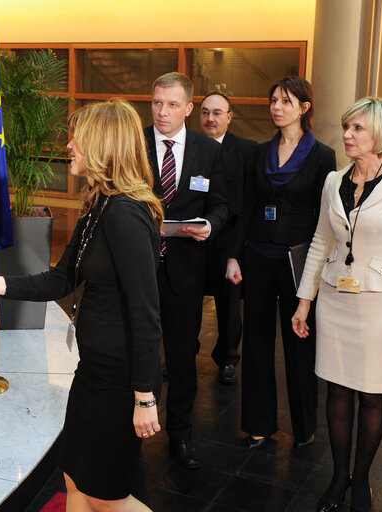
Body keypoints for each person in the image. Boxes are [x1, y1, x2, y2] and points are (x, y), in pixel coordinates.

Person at [0, 98, 163, 510]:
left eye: (76, 138)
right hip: (93, 371)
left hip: (121, 382)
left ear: (102, 144)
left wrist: (144, 398)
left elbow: (146, 315)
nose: (68, 146)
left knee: (107, 498)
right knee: (74, 477)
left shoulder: (125, 215)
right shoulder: (99, 205)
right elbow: (60, 279)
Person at [292, 97, 382, 512]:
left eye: (358, 128)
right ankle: (339, 475)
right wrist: (304, 301)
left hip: (380, 305)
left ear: (380, 134)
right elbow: (320, 244)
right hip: (336, 301)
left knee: (373, 396)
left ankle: (361, 482)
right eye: (347, 127)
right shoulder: (333, 181)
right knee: (337, 391)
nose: (347, 135)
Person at [226, 76, 335, 451]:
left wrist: (321, 269)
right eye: (273, 100)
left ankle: (304, 427)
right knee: (256, 340)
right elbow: (249, 206)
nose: (276, 107)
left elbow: (324, 217)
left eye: (285, 101)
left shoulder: (323, 156)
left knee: (298, 342)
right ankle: (258, 425)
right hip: (258, 254)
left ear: (304, 108)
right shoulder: (259, 153)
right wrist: (234, 254)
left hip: (299, 259)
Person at [145, 72, 228, 468]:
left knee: (181, 360)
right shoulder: (135, 142)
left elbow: (223, 204)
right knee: (137, 354)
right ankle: (131, 432)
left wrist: (210, 226)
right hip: (138, 268)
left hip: (185, 272)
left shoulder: (208, 151)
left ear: (189, 109)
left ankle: (180, 436)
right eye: (157, 103)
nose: (163, 112)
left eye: (172, 105)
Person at [199, 92, 258, 385]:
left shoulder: (247, 151)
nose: (211, 118)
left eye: (217, 113)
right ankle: (185, 352)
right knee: (185, 300)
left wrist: (240, 246)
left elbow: (251, 200)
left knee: (230, 304)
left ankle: (227, 359)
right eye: (205, 112)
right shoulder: (191, 147)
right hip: (192, 239)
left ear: (229, 117)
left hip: (229, 242)